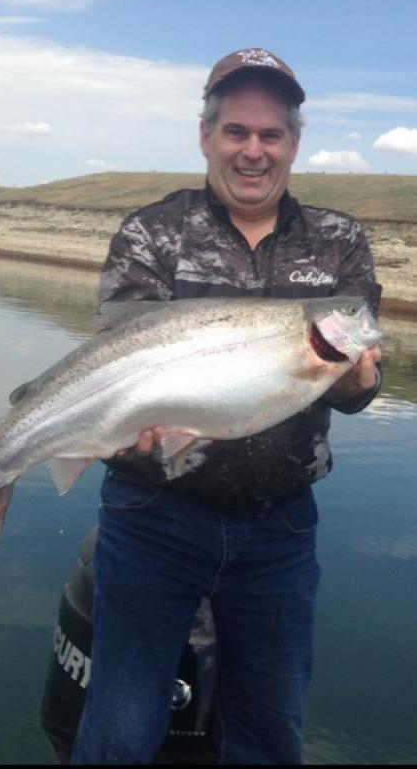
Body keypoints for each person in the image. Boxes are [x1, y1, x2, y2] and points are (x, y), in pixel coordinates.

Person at [70, 47, 382, 765]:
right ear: (206, 136)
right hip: (152, 523)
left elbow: (363, 386)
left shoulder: (337, 242)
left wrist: (354, 379)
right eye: (236, 131)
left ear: (294, 144)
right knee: (117, 734)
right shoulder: (152, 232)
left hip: (280, 532)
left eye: (271, 134)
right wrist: (125, 430)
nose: (253, 150)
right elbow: (114, 359)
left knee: (270, 737)